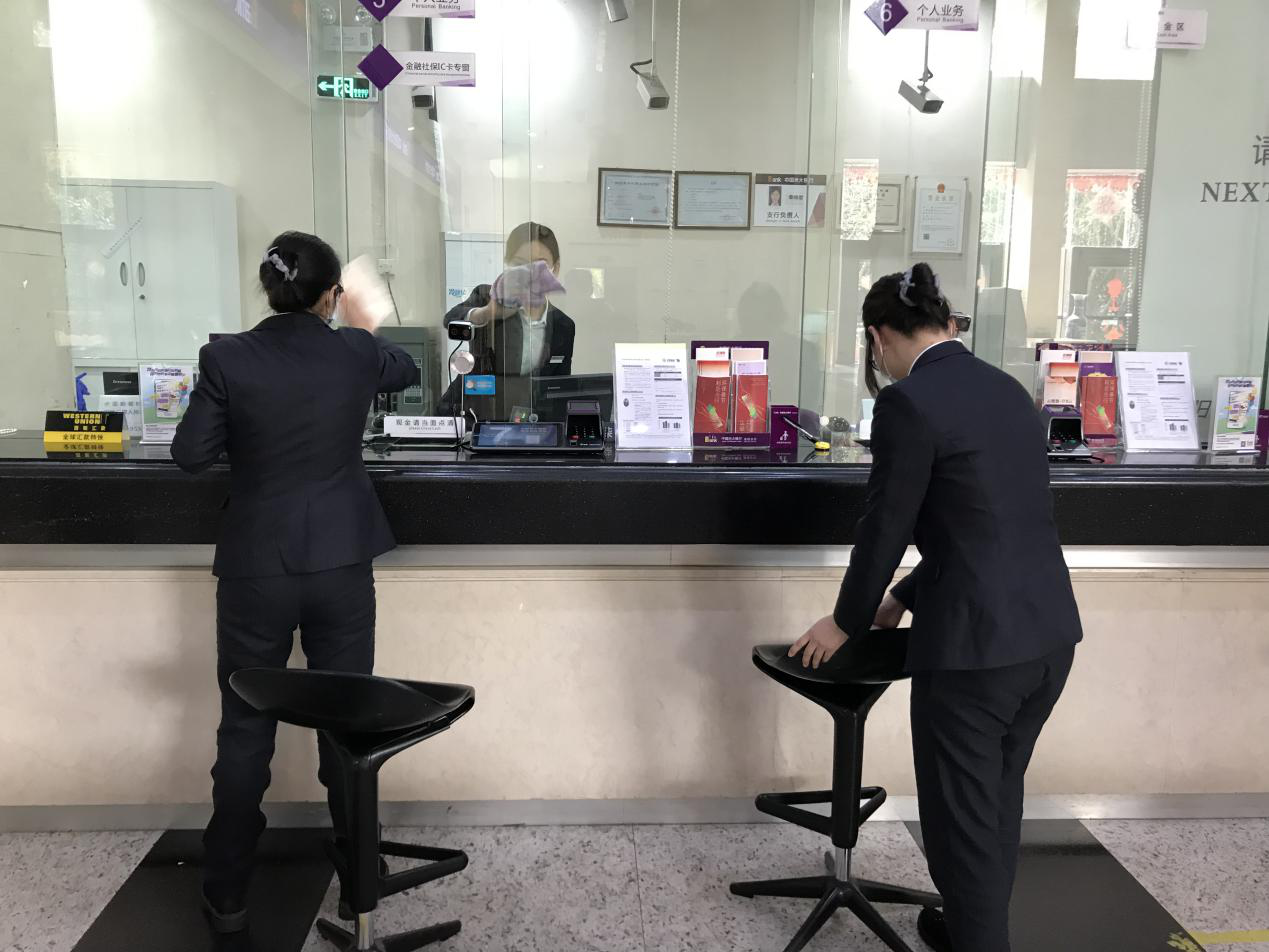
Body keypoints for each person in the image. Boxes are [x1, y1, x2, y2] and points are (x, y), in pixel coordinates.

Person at [788, 263, 1082, 952]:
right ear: (945, 323)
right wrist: (900, 597)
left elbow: (884, 528)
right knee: (995, 804)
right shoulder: (1008, 389)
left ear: (877, 337)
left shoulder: (908, 403)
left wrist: (845, 621)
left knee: (960, 834)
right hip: (1047, 641)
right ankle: (962, 928)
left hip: (975, 657)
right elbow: (989, 522)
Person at [171, 231, 419, 934]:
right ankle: (358, 886)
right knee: (348, 725)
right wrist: (364, 325)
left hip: (255, 568)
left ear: (268, 288)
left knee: (245, 727)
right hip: (340, 563)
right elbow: (404, 369)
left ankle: (226, 895)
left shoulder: (226, 356)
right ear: (329, 296)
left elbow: (191, 454)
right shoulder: (356, 351)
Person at [438, 221, 575, 413]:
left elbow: (559, 388)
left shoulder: (563, 325)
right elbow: (450, 319)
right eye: (520, 264)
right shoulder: (486, 296)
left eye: (540, 265)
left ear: (556, 268)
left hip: (528, 417)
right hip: (471, 411)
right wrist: (488, 312)